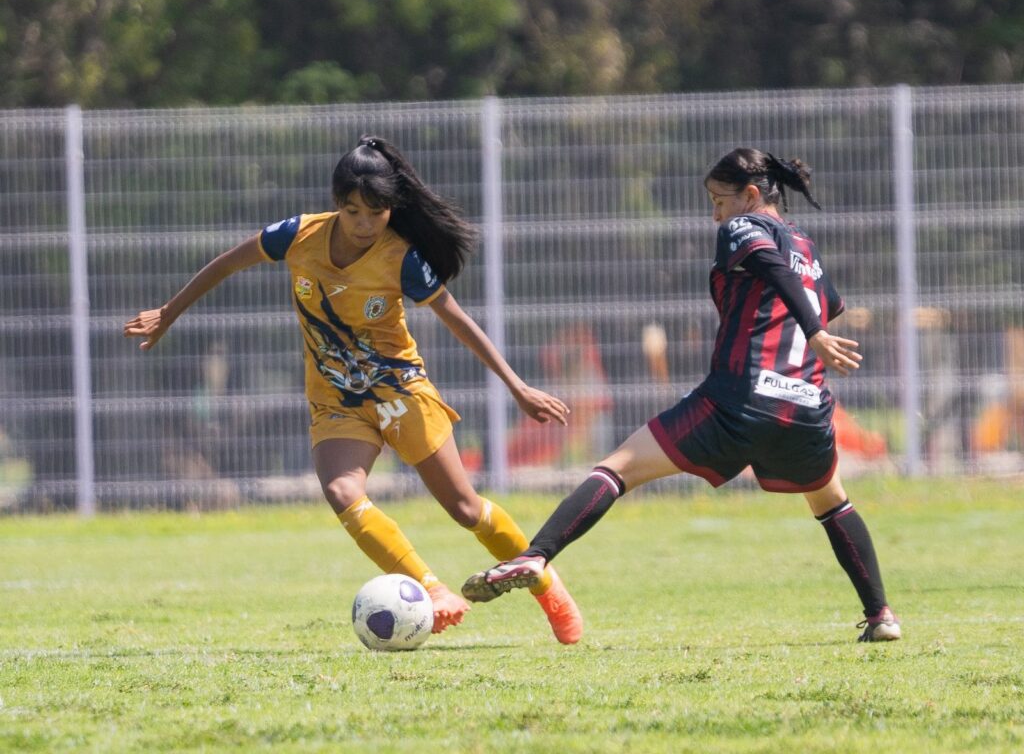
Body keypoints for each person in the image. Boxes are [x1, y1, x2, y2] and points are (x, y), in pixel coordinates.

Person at [124, 135, 583, 644]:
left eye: (377, 212)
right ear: (336, 203)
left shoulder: (401, 258)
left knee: (465, 509)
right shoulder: (296, 236)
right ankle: (432, 590)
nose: (365, 224)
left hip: (400, 391)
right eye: (353, 211)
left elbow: (458, 320)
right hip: (336, 399)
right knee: (343, 491)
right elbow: (227, 263)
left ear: (391, 209)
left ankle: (546, 583)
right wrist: (169, 313)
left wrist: (517, 387)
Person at [462, 147, 901, 644]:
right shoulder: (809, 248)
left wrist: (813, 331)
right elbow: (828, 300)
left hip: (738, 399)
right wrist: (814, 333)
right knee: (832, 503)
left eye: (719, 200)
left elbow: (775, 271)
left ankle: (534, 556)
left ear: (751, 195)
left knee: (617, 468)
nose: (715, 213)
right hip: (805, 408)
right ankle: (880, 613)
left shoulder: (743, 228)